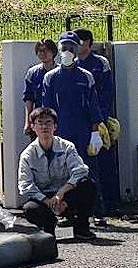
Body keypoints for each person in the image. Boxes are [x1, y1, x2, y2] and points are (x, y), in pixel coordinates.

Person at [42, 32, 106, 226]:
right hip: (61, 133)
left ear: (77, 50)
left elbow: (93, 105)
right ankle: (68, 214)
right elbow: (47, 108)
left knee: (89, 171)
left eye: (71, 48)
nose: (68, 52)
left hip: (83, 132)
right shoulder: (50, 77)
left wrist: (95, 131)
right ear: (59, 51)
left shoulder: (86, 77)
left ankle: (98, 212)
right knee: (64, 174)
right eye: (64, 48)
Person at [18, 107, 97, 239]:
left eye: (48, 122)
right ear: (33, 127)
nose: (44, 127)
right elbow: (25, 186)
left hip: (65, 192)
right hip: (43, 196)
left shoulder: (67, 147)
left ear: (55, 126)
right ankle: (49, 228)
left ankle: (81, 228)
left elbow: (81, 171)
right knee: (29, 209)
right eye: (40, 123)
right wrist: (47, 201)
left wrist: (62, 194)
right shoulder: (27, 155)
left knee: (88, 185)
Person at [73, 27, 119, 219]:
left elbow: (107, 92)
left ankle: (105, 205)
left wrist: (100, 119)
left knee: (100, 164)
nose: (78, 45)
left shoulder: (101, 63)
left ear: (89, 43)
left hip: (97, 121)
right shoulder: (70, 65)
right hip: (76, 122)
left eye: (81, 41)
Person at [23, 39, 58, 134]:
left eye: (45, 50)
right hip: (38, 120)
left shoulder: (60, 73)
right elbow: (29, 99)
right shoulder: (32, 73)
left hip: (57, 120)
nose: (42, 53)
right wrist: (28, 122)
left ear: (53, 52)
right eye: (39, 51)